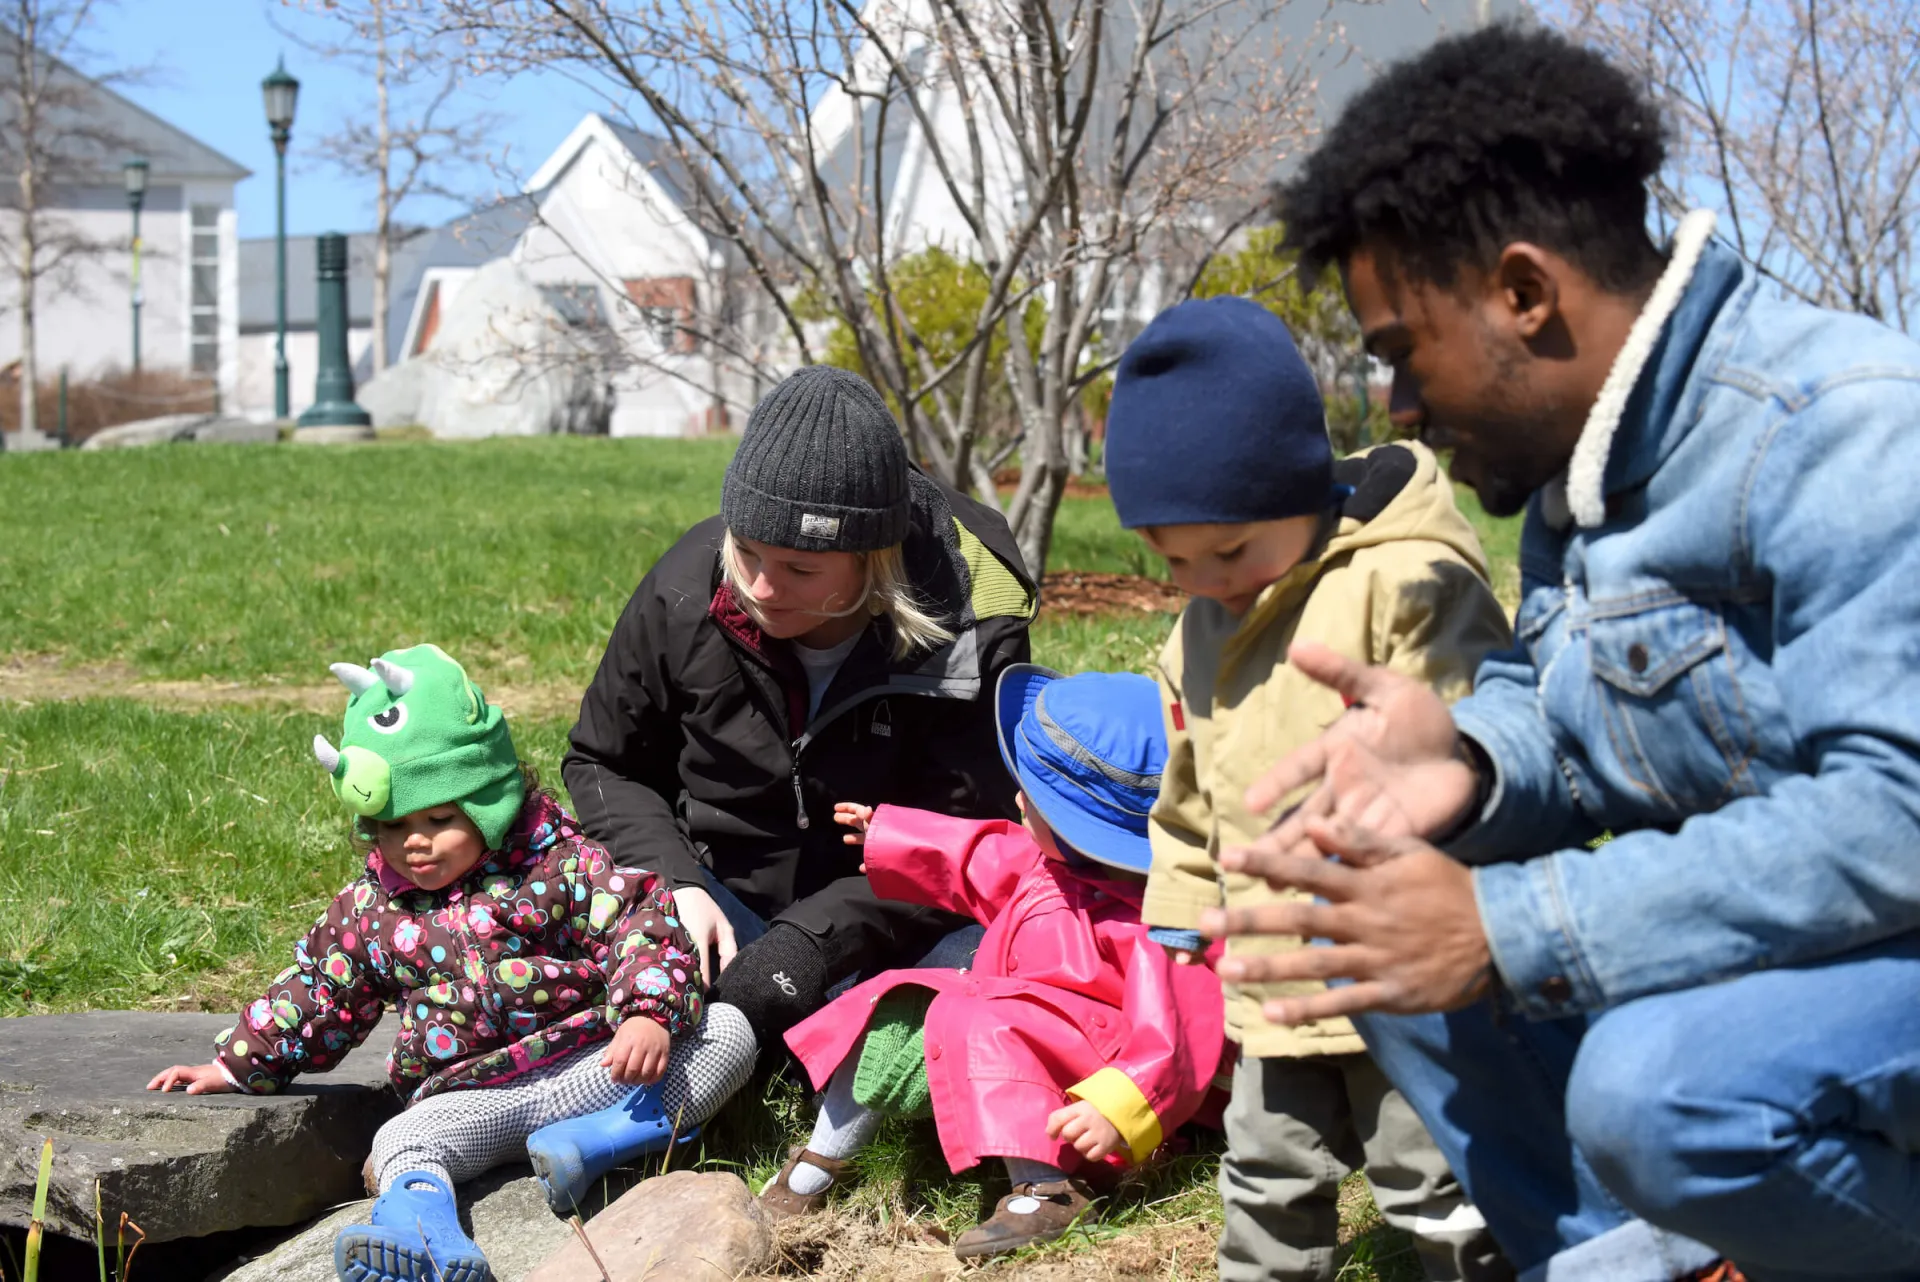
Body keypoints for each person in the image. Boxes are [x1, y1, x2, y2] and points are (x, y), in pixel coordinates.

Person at [1205, 22, 1920, 1282]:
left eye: (1398, 353)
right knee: (1377, 902)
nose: (1398, 411)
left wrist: (1511, 924)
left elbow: (1896, 819)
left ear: (1523, 294)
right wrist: (1469, 764)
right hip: (1820, 950)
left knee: (1663, 1094)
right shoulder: (1577, 472)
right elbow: (1577, 713)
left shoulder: (1848, 434)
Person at [1101, 296, 1513, 1282]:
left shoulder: (1403, 580)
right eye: (1175, 562)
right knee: (1266, 1173)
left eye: (1231, 551)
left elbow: (1491, 734)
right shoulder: (1202, 625)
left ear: (1296, 486)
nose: (1208, 582)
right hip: (1274, 968)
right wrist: (1186, 899)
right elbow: (1194, 777)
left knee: (1436, 1176)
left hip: (1407, 965)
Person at [146, 645, 758, 1282]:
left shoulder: (560, 866)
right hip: (472, 1094)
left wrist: (646, 1014)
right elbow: (320, 985)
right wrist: (237, 1063)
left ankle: (602, 1145)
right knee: (400, 1141)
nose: (415, 841)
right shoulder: (372, 909)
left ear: (489, 798)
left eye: (440, 817)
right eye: (391, 826)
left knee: (727, 1034)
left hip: (600, 1066)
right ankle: (424, 1231)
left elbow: (641, 923)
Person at [562, 365, 1037, 1063]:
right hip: (717, 892)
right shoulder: (686, 587)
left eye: (801, 570)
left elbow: (967, 841)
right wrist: (673, 887)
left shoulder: (970, 623)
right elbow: (605, 761)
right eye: (746, 551)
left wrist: (812, 942)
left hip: (895, 915)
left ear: (876, 561)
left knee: (988, 974)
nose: (760, 586)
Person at [769, 667, 1227, 1260]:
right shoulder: (1051, 866)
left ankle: (1046, 1190)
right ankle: (821, 1161)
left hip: (1100, 1084)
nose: (1016, 800)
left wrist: (1120, 1109)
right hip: (1022, 1023)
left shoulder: (1159, 927)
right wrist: (893, 833)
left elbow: (1178, 1037)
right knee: (894, 1001)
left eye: (1033, 800)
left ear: (1084, 832)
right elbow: (980, 857)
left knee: (984, 1019)